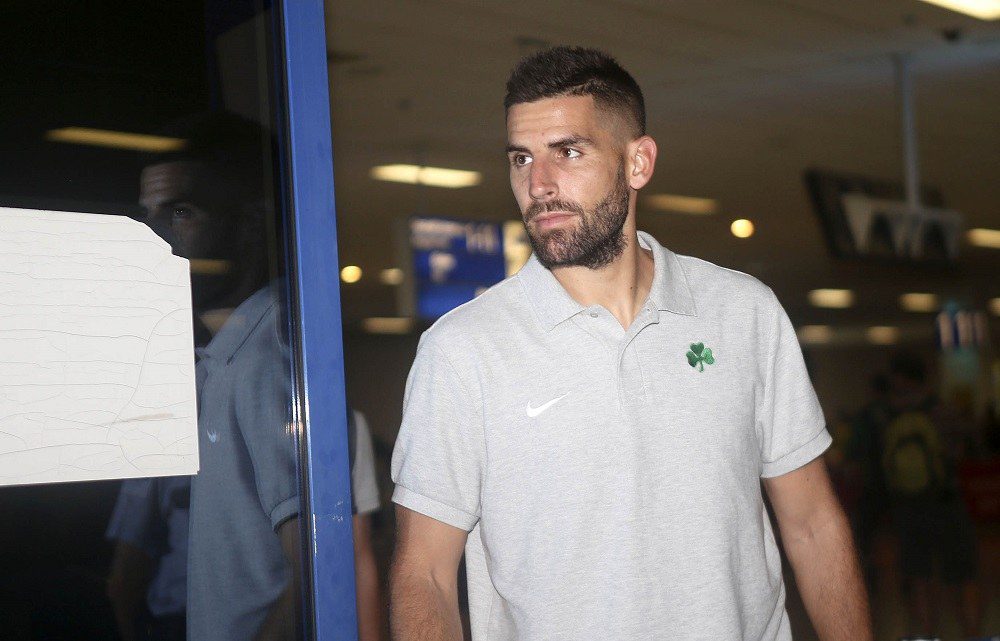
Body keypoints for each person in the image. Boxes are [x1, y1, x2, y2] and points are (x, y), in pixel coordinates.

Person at [389, 47, 872, 640]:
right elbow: (426, 575)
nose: (538, 185)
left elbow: (814, 525)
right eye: (521, 158)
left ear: (638, 162)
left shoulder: (744, 313)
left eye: (568, 152)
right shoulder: (462, 351)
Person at [138, 112, 383, 640]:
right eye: (148, 217)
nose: (155, 239)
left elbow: (319, 576)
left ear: (250, 224)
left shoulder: (266, 358)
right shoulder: (227, 355)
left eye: (180, 212)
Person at [880, 352, 985, 641]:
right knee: (964, 574)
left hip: (907, 504)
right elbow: (968, 443)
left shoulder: (887, 413)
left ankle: (927, 634)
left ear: (899, 378)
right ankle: (972, 632)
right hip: (945, 499)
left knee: (919, 576)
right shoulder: (940, 408)